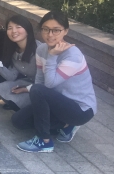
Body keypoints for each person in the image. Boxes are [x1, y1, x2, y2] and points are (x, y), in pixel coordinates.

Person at [12, 11, 97, 153]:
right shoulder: (41, 49)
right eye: (46, 29)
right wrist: (34, 100)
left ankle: (44, 141)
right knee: (18, 121)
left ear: (65, 31)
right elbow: (40, 80)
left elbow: (50, 84)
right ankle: (66, 125)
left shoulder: (73, 55)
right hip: (57, 104)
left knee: (37, 90)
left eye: (56, 30)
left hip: (80, 109)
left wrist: (52, 56)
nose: (50, 34)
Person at [0, 15, 41, 111]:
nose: (14, 31)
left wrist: (27, 88)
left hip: (41, 87)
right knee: (4, 88)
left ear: (27, 30)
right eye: (10, 28)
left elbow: (45, 81)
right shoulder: (14, 51)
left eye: (18, 27)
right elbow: (11, 76)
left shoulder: (39, 49)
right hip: (27, 82)